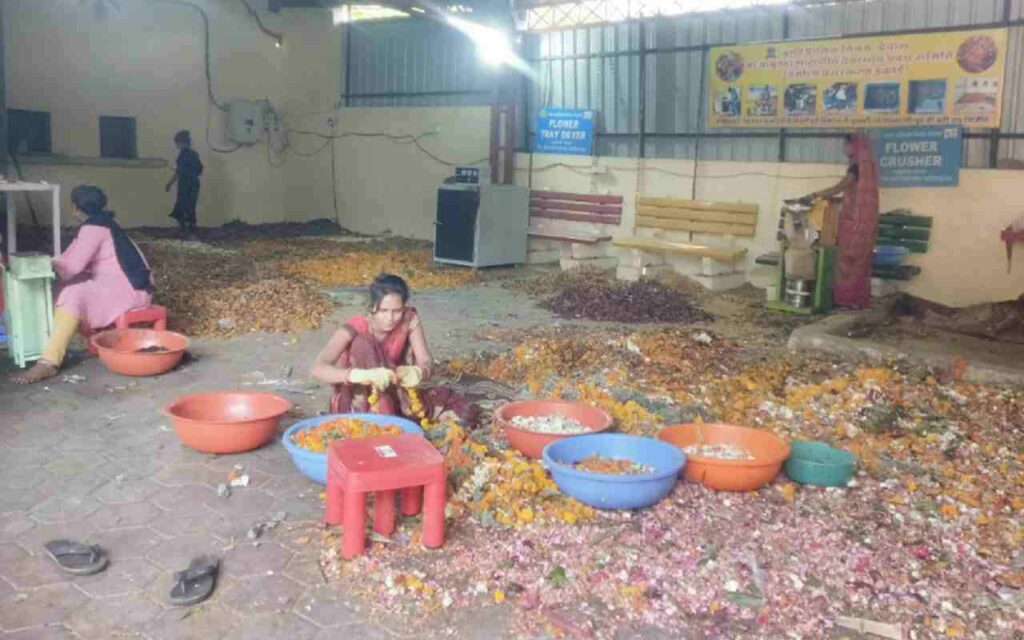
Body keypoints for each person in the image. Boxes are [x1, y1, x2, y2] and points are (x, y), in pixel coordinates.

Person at [11, 185, 154, 384]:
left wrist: (42, 264)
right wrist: (51, 262)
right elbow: (73, 258)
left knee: (73, 294)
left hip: (127, 289)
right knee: (71, 291)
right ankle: (93, 341)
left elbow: (72, 266)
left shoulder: (93, 228)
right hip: (133, 285)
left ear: (75, 208)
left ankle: (48, 362)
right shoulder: (105, 223)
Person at [311, 274, 475, 426]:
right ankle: (384, 419)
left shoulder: (408, 320)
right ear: (372, 307)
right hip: (360, 398)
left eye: (396, 311)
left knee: (464, 410)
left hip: (396, 390)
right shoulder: (357, 326)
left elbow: (426, 360)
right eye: (383, 311)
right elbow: (317, 368)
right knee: (363, 344)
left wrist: (419, 372)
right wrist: (358, 375)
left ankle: (396, 413)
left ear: (403, 308)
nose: (390, 318)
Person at [809, 133, 879, 309]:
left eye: (845, 145)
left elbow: (839, 188)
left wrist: (816, 194)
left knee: (847, 261)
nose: (843, 149)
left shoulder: (856, 168)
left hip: (854, 223)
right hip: (864, 221)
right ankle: (856, 299)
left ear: (853, 146)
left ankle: (846, 299)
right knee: (859, 262)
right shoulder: (867, 167)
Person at [166, 130, 203, 234]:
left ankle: (184, 229)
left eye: (177, 143)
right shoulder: (195, 154)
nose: (176, 145)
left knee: (182, 205)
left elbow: (179, 172)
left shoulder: (183, 155)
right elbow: (200, 169)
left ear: (181, 143)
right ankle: (192, 227)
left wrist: (169, 183)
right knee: (191, 206)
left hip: (185, 184)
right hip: (195, 183)